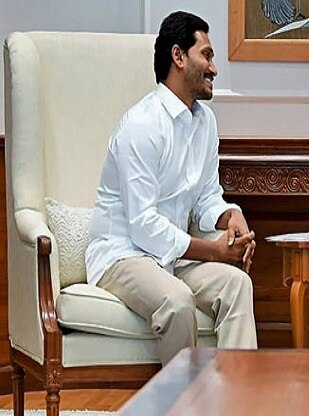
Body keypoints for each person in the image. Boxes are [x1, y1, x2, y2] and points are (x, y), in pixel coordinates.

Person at [86, 11, 257, 366]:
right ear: (178, 56)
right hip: (123, 255)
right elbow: (143, 225)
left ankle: (239, 410)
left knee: (237, 285)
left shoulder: (205, 122)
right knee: (177, 301)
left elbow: (208, 195)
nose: (214, 68)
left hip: (173, 258)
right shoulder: (142, 125)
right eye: (207, 55)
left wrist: (231, 215)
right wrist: (213, 251)